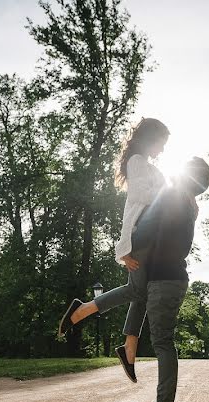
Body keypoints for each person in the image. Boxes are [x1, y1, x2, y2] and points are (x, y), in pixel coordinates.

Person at [58, 118, 169, 383]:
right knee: (138, 291)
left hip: (150, 237)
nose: (163, 151)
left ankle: (128, 350)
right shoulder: (137, 162)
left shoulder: (145, 164)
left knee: (140, 293)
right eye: (161, 144)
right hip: (140, 236)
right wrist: (167, 190)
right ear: (150, 138)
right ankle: (82, 310)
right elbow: (143, 196)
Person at [123, 157, 209, 402]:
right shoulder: (186, 203)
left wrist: (125, 249)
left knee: (163, 342)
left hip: (164, 279)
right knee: (164, 341)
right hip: (171, 278)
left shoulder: (173, 198)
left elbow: (147, 227)